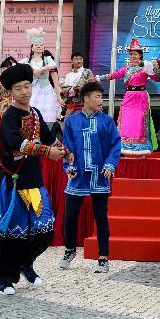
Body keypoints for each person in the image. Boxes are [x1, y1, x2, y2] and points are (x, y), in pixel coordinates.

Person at [0, 63, 70, 295]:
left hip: (34, 181)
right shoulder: (8, 115)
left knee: (44, 231)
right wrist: (46, 152)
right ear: (10, 92)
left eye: (27, 86)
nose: (24, 91)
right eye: (19, 88)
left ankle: (25, 264)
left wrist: (64, 152)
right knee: (11, 231)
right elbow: (16, 144)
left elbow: (49, 138)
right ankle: (4, 278)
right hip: (12, 182)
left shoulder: (35, 113)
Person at [59, 82, 121, 274]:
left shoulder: (107, 121)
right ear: (86, 99)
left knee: (101, 217)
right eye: (97, 97)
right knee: (70, 217)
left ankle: (103, 257)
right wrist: (69, 167)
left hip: (100, 175)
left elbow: (115, 145)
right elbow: (67, 147)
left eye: (101, 97)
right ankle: (70, 250)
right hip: (77, 175)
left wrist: (110, 164)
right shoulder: (72, 122)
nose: (100, 100)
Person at [96, 39, 160, 156]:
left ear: (140, 55)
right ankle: (125, 150)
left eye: (135, 54)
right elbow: (113, 75)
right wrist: (99, 78)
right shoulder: (126, 68)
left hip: (140, 98)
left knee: (139, 123)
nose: (133, 56)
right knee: (126, 123)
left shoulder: (145, 66)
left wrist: (153, 68)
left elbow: (157, 78)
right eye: (131, 54)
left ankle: (141, 151)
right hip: (128, 98)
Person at [21, 28, 63, 129]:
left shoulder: (47, 59)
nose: (39, 47)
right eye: (36, 45)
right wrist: (29, 68)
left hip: (45, 89)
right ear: (32, 47)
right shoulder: (27, 60)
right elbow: (15, 64)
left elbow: (54, 65)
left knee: (46, 115)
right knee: (31, 113)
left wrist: (42, 69)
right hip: (33, 89)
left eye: (41, 45)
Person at [61, 51, 95, 117]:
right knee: (68, 124)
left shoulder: (87, 72)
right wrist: (73, 89)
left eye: (81, 59)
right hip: (71, 106)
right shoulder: (68, 75)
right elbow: (64, 90)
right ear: (72, 61)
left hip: (84, 105)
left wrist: (76, 89)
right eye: (76, 59)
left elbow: (92, 87)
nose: (79, 61)